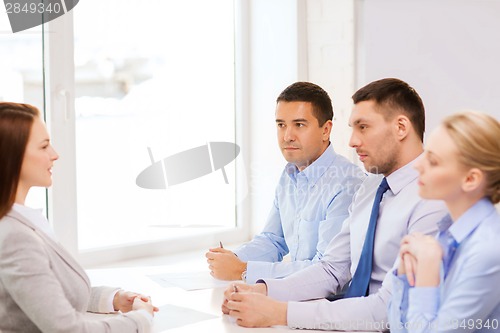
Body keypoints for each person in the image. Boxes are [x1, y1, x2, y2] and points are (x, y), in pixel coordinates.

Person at [221, 78, 448, 330]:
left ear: (401, 127)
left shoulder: (435, 201)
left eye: (363, 127)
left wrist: (281, 312)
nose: (352, 141)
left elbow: (389, 309)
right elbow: (332, 270)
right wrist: (261, 291)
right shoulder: (371, 187)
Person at [0, 102, 158, 333]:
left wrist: (112, 298)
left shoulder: (22, 222)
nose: (55, 155)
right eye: (44, 146)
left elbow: (48, 293)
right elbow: (68, 329)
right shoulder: (15, 236)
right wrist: (141, 320)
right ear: (12, 156)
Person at [206, 81, 365, 283]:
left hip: (327, 304)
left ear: (326, 130)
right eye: (281, 125)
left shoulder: (347, 184)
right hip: (295, 295)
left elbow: (327, 271)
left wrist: (243, 270)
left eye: (299, 125)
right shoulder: (290, 174)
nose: (287, 136)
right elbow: (273, 240)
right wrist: (232, 259)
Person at [389, 111, 500, 332]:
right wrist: (403, 273)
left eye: (432, 161)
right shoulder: (444, 233)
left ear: (470, 179)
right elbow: (398, 326)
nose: (417, 166)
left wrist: (427, 272)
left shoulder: (488, 250)